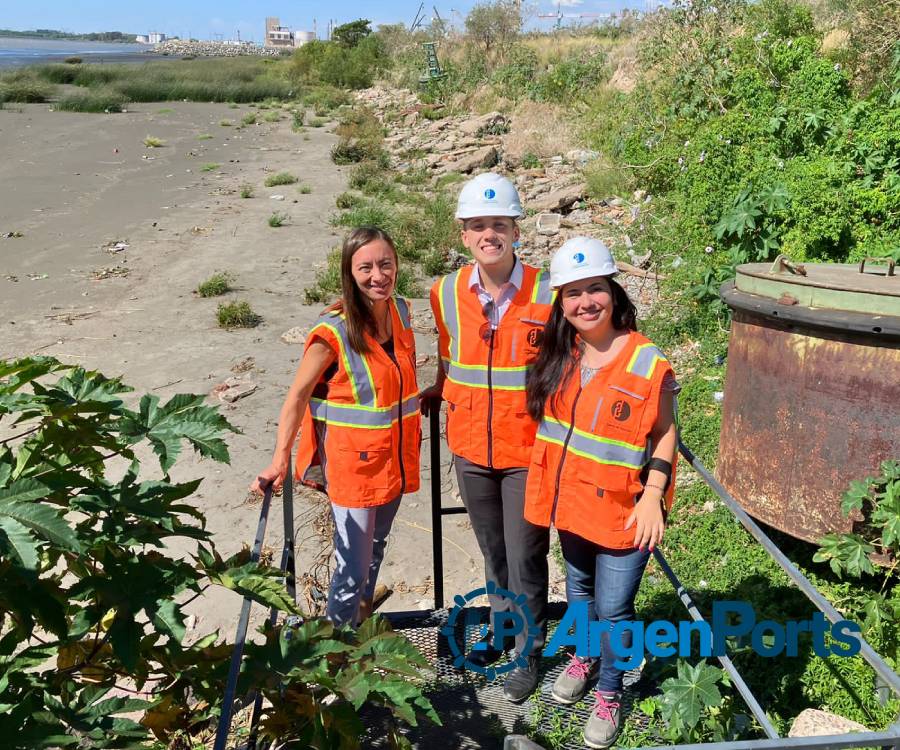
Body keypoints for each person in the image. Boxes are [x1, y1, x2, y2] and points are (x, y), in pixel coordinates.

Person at [524, 237, 678, 749]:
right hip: (570, 505)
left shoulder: (646, 360)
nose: (585, 302)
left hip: (622, 510)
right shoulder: (559, 353)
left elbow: (664, 433)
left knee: (614, 609)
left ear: (613, 293)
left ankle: (609, 693)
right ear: (560, 303)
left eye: (595, 289)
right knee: (580, 594)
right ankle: (584, 656)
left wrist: (653, 494)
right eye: (573, 293)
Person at [423, 172, 554, 702]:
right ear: (463, 234)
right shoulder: (446, 291)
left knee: (526, 554)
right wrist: (436, 393)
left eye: (499, 224)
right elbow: (449, 356)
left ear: (516, 230)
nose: (489, 234)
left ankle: (529, 651)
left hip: (528, 448)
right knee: (492, 548)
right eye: (478, 225)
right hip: (471, 446)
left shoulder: (549, 290)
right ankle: (501, 631)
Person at [251, 227, 421, 627]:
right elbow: (296, 397)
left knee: (374, 549)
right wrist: (280, 459)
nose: (378, 275)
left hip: (394, 461)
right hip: (353, 470)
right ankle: (338, 650)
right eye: (366, 268)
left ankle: (360, 621)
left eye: (385, 264)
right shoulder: (332, 331)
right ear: (349, 272)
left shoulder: (401, 312)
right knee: (351, 567)